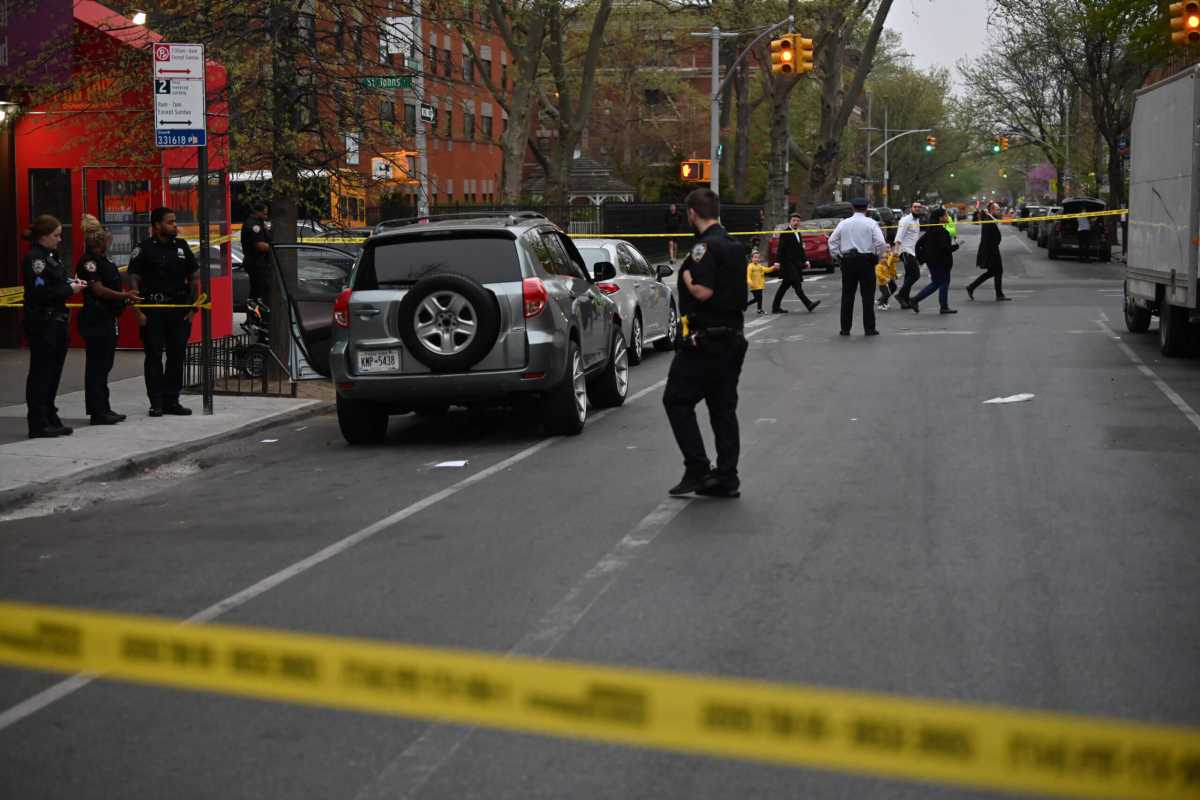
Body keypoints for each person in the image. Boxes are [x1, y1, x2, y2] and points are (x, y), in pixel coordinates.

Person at [663, 188, 749, 499]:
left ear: (692, 213)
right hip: (733, 337)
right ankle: (727, 477)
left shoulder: (704, 248)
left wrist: (686, 277)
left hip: (706, 340)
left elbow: (703, 292)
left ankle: (697, 467)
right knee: (722, 408)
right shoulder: (734, 245)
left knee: (676, 400)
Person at [129, 206, 201, 416]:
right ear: (157, 225)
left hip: (178, 310)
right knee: (153, 356)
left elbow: (194, 276)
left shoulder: (181, 246)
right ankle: (156, 402)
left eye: (175, 221)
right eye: (170, 222)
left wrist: (193, 306)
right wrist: (138, 311)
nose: (175, 225)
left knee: (177, 355)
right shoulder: (144, 248)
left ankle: (172, 400)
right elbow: (133, 278)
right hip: (153, 309)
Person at [22, 215, 84, 438]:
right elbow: (40, 292)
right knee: (42, 373)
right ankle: (38, 422)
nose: (59, 239)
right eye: (56, 235)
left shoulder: (51, 257)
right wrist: (70, 290)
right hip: (43, 322)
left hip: (57, 320)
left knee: (54, 372)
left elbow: (56, 281)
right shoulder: (35, 259)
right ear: (44, 236)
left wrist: (71, 283)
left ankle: (50, 415)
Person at [77, 214, 141, 425]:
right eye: (107, 238)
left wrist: (125, 298)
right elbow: (98, 290)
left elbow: (113, 284)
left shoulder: (105, 260)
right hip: (96, 318)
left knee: (105, 364)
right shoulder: (90, 262)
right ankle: (98, 411)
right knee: (97, 366)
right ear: (99, 241)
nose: (110, 240)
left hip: (108, 317)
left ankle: (104, 407)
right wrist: (123, 296)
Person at [827, 197, 888, 336]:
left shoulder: (844, 223)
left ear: (852, 208)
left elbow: (832, 241)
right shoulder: (871, 223)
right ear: (866, 208)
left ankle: (845, 328)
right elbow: (881, 242)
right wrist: (876, 255)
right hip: (866, 261)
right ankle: (869, 328)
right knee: (868, 296)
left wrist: (838, 256)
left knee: (847, 295)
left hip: (848, 261)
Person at [908, 207, 959, 315]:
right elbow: (945, 249)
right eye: (945, 215)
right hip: (942, 263)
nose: (947, 217)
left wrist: (922, 258)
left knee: (937, 283)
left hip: (933, 262)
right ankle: (941, 306)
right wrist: (956, 246)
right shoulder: (943, 232)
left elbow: (919, 244)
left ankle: (917, 300)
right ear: (940, 218)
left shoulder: (930, 230)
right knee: (942, 283)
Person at [771, 212, 821, 314]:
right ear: (790, 221)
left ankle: (775, 307)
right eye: (794, 220)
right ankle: (808, 304)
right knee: (797, 284)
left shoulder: (798, 233)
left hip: (796, 264)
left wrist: (806, 260)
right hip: (787, 264)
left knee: (784, 286)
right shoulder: (785, 233)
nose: (796, 222)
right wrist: (777, 261)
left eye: (798, 221)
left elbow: (800, 250)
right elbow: (780, 249)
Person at [966, 201, 1011, 301]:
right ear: (991, 210)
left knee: (992, 272)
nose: (999, 211)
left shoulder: (991, 219)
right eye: (997, 209)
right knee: (998, 271)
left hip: (992, 250)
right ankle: (999, 295)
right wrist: (992, 252)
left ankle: (971, 287)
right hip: (991, 251)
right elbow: (987, 239)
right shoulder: (988, 220)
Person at [240, 201, 273, 304]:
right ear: (257, 212)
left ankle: (255, 312)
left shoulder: (259, 222)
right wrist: (275, 249)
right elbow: (260, 245)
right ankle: (259, 312)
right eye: (264, 214)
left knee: (257, 292)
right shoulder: (254, 225)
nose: (266, 216)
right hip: (256, 263)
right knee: (260, 292)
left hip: (259, 263)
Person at [894, 201, 924, 309]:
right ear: (911, 208)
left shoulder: (917, 220)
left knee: (909, 275)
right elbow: (899, 236)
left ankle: (905, 300)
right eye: (915, 207)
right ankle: (900, 295)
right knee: (915, 275)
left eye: (919, 207)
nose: (917, 208)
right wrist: (896, 251)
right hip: (905, 251)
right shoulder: (905, 220)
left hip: (912, 251)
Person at [745, 248, 777, 315]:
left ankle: (759, 310)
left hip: (760, 286)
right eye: (755, 257)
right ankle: (745, 305)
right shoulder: (750, 266)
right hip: (754, 286)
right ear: (751, 258)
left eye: (758, 258)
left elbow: (767, 270)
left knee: (759, 299)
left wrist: (773, 267)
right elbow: (748, 276)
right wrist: (750, 282)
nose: (756, 259)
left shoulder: (760, 266)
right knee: (757, 299)